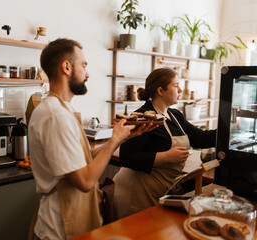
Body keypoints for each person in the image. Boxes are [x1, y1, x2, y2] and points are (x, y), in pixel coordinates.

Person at [28, 38, 155, 240]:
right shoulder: (55, 116)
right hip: (58, 230)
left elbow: (83, 157)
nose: (87, 74)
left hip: (69, 221)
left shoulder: (62, 109)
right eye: (84, 66)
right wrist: (113, 141)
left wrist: (122, 139)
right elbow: (85, 181)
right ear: (66, 67)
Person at [113, 67, 217, 219]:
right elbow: (127, 157)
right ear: (160, 90)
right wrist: (166, 156)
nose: (180, 90)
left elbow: (201, 138)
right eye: (175, 85)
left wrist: (230, 131)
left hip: (158, 191)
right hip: (135, 193)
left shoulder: (175, 116)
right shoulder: (143, 117)